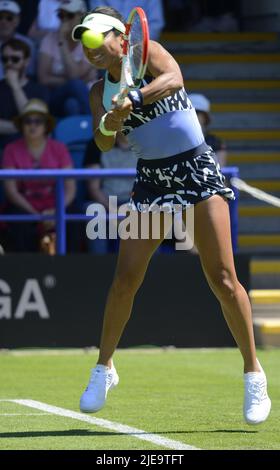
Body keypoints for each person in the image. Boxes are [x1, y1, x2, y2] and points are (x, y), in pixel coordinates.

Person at [72, 6, 271, 425]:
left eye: (94, 40)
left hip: (197, 169)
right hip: (152, 181)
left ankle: (254, 372)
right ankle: (104, 368)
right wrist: (111, 121)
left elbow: (175, 79)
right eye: (83, 44)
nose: (89, 50)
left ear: (118, 38)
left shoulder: (152, 53)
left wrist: (137, 96)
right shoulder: (96, 92)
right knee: (125, 280)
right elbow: (105, 142)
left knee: (222, 278)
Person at [2, 99, 77, 252]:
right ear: (22, 125)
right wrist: (36, 215)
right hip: (24, 205)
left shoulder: (59, 148)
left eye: (38, 121)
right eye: (28, 121)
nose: (33, 125)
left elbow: (70, 188)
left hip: (55, 204)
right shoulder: (11, 150)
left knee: (75, 218)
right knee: (17, 221)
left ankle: (72, 269)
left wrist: (56, 211)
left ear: (46, 126)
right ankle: (23, 272)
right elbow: (11, 191)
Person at [38, 0, 97, 117]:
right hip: (55, 95)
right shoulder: (49, 39)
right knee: (76, 85)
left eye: (69, 15)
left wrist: (74, 80)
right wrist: (62, 40)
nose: (64, 20)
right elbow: (43, 78)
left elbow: (74, 75)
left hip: (84, 95)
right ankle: (97, 128)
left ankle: (83, 132)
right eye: (61, 15)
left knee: (72, 104)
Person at [84, 133, 136, 253]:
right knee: (94, 210)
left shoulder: (148, 144)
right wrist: (114, 210)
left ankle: (150, 268)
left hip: (134, 201)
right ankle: (99, 267)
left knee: (152, 210)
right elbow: (93, 188)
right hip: (105, 201)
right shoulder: (97, 143)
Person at [0, 38, 49, 153]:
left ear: (26, 62)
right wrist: (21, 127)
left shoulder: (39, 90)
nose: (9, 63)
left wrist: (15, 86)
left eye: (15, 59)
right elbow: (31, 125)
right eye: (5, 59)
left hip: (31, 147)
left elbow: (34, 120)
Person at [89, 0, 165, 40]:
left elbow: (156, 24)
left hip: (140, 53)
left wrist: (140, 47)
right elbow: (97, 21)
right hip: (109, 50)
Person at [189, 93, 228, 167]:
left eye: (196, 112)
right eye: (189, 113)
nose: (192, 116)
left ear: (205, 118)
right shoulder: (175, 141)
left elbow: (220, 169)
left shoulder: (216, 143)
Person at [0, 0, 36, 79]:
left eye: (9, 18)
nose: (3, 22)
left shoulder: (27, 44)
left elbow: (30, 75)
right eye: (0, 18)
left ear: (17, 21)